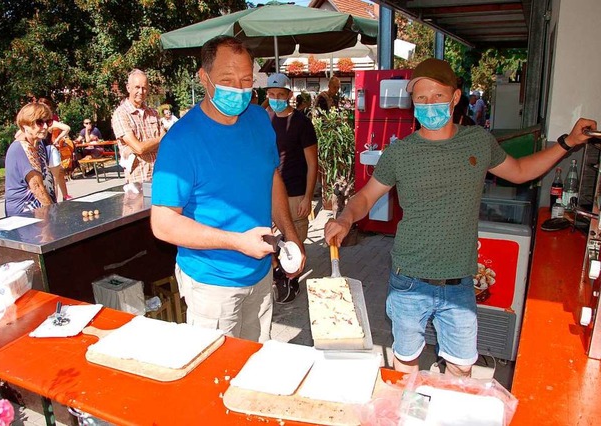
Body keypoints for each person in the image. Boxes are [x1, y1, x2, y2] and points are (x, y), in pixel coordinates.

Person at [324, 57, 597, 377]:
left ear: (454, 97)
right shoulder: (400, 152)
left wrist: (567, 142)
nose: (429, 104)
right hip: (409, 278)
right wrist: (344, 218)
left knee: (461, 367)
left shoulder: (478, 141)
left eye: (437, 96)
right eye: (420, 98)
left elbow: (521, 172)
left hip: (459, 282)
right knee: (406, 362)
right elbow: (366, 196)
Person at [150, 35, 305, 342]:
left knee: (255, 362)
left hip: (260, 275)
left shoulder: (259, 119)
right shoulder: (181, 141)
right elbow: (163, 223)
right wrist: (236, 242)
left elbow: (271, 176)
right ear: (204, 78)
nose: (238, 88)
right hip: (213, 284)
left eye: (246, 80)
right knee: (215, 374)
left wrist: (291, 236)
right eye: (227, 79)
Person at [265, 73, 318, 303]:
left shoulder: (301, 123)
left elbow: (312, 163)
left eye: (280, 94)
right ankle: (280, 273)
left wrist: (308, 197)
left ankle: (291, 280)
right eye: (272, 94)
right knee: (271, 239)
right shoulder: (266, 120)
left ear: (289, 95)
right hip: (269, 192)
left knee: (294, 241)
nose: (276, 98)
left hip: (295, 192)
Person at [111, 69, 164, 183]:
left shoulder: (153, 113)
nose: (141, 91)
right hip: (138, 180)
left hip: (160, 175)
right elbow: (139, 148)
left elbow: (166, 144)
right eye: (137, 87)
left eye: (144, 88)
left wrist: (156, 142)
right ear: (128, 88)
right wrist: (160, 139)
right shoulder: (121, 114)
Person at [5, 102, 57, 216]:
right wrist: (54, 214)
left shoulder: (39, 142)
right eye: (39, 122)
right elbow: (37, 187)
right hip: (26, 210)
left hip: (42, 206)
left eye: (48, 122)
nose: (45, 127)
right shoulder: (20, 148)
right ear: (25, 125)